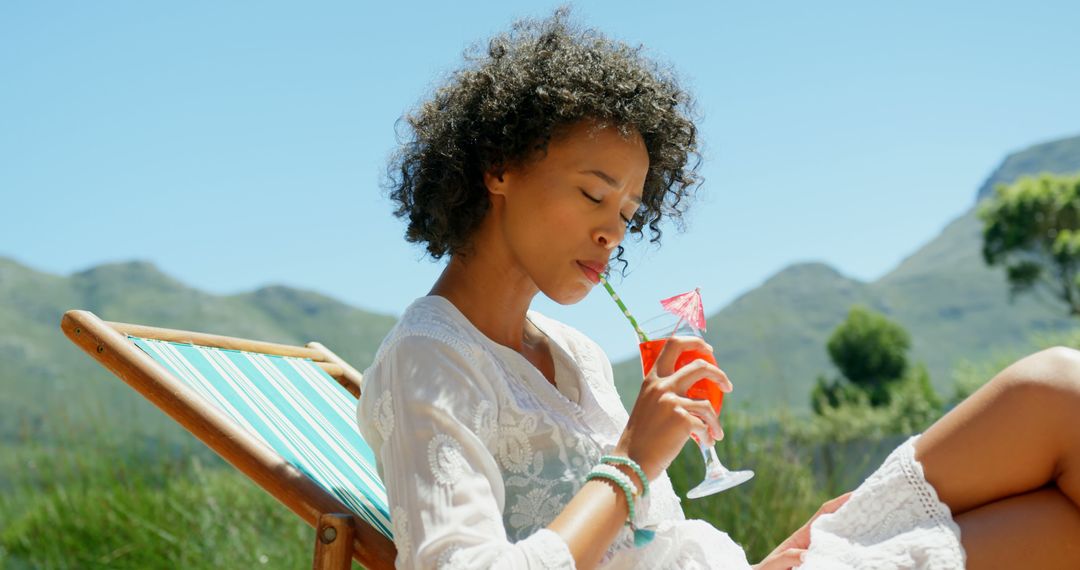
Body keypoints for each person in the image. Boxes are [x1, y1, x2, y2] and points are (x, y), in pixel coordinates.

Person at [356, 11, 1080, 569]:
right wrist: (635, 456)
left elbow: (660, 540)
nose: (613, 233)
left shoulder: (573, 354)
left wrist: (798, 536)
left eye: (628, 213)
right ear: (499, 168)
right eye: (591, 193)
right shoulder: (428, 361)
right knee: (1055, 400)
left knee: (1056, 419)